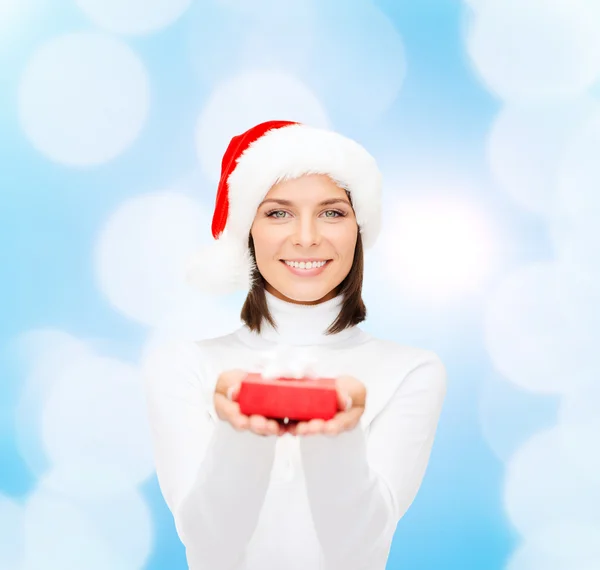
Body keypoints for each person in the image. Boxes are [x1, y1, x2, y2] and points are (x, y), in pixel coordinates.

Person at [142, 120, 447, 570]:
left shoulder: (413, 370)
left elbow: (358, 549)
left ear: (359, 228)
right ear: (247, 229)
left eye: (332, 212)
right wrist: (242, 431)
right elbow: (210, 545)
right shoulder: (183, 365)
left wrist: (337, 434)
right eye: (278, 212)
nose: (307, 237)